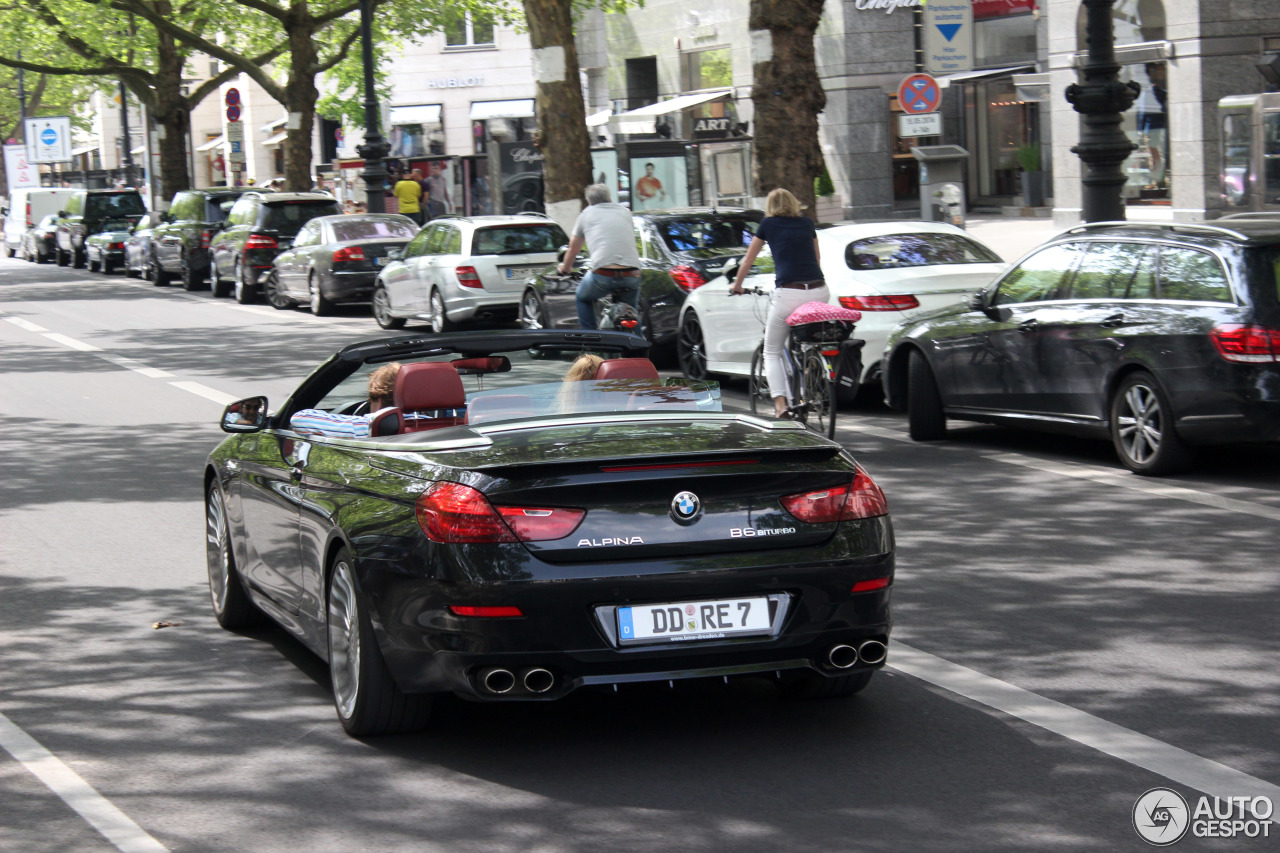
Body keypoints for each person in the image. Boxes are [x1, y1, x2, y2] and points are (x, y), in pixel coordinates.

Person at [729, 187, 827, 418]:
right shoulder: (806, 223)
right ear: (794, 203)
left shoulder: (768, 225)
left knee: (771, 351)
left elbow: (748, 260)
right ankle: (807, 385)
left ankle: (781, 407)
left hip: (789, 292)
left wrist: (737, 285)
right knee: (805, 342)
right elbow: (817, 259)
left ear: (770, 206)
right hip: (820, 290)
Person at [557, 183, 642, 331]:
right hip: (632, 274)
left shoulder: (586, 215)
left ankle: (591, 341)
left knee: (582, 298)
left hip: (603, 274)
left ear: (589, 201)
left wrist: (565, 268)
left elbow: (573, 249)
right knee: (631, 311)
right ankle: (638, 343)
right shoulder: (625, 212)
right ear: (609, 197)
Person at [289, 363, 403, 438]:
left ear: (379, 401)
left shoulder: (370, 427)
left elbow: (299, 419)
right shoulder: (420, 424)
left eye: (370, 401)